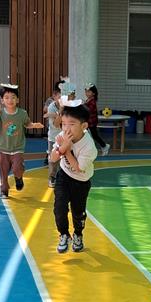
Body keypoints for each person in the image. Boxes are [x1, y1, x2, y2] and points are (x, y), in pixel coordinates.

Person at [50, 102, 97, 254]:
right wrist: (61, 149)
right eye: (64, 124)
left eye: (71, 124)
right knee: (59, 207)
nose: (66, 128)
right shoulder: (62, 136)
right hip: (64, 176)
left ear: (84, 126)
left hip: (81, 181)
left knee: (78, 213)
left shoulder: (88, 146)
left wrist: (66, 150)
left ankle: (78, 234)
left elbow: (78, 167)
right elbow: (52, 158)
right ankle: (64, 234)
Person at [0, 83, 43, 197]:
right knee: (3, 170)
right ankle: (4, 189)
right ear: (2, 100)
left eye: (13, 97)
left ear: (17, 100)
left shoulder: (22, 113)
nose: (10, 100)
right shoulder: (0, 114)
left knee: (18, 167)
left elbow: (27, 124)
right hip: (3, 148)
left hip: (18, 147)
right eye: (6, 98)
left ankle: (18, 177)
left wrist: (34, 125)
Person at [44, 81, 62, 185]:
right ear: (54, 96)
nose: (62, 99)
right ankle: (52, 178)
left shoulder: (69, 106)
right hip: (54, 137)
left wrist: (54, 115)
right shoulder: (51, 106)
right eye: (60, 97)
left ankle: (63, 178)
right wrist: (59, 112)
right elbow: (56, 125)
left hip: (66, 138)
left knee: (64, 159)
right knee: (53, 159)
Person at [84, 83, 110, 156]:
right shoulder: (88, 100)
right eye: (86, 91)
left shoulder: (92, 101)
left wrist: (82, 106)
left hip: (92, 122)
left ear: (94, 93)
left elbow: (88, 110)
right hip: (88, 122)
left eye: (89, 91)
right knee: (89, 135)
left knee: (94, 135)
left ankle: (104, 146)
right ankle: (102, 146)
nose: (87, 93)